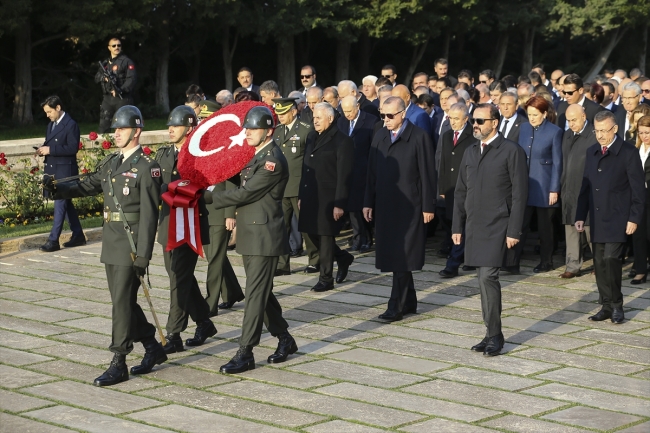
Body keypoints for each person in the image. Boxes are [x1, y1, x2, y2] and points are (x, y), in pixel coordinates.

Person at [43, 105, 166, 385]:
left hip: (130, 244)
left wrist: (144, 255)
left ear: (136, 132)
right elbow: (87, 185)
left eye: (122, 129)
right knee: (123, 302)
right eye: (115, 129)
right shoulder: (112, 163)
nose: (117, 133)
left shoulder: (148, 168)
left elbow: (149, 216)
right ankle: (152, 346)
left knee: (121, 304)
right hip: (111, 242)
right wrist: (57, 189)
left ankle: (119, 360)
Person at [206, 106, 298, 373]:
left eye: (253, 128)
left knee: (256, 295)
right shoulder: (256, 154)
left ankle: (245, 352)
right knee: (262, 292)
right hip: (252, 234)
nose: (247, 133)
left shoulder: (273, 160)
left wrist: (207, 197)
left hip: (264, 237)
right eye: (246, 128)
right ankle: (285, 339)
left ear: (268, 131)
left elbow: (245, 194)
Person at [453, 103, 528, 356]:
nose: (475, 125)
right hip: (475, 224)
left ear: (494, 123)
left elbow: (520, 194)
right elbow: (461, 191)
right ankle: (490, 332)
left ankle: (495, 335)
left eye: (480, 121)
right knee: (481, 280)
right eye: (473, 120)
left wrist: (514, 231)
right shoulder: (471, 151)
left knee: (488, 277)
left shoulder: (511, 151)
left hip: (499, 224)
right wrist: (457, 225)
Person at [364, 96, 436, 321]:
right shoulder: (380, 135)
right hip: (386, 205)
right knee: (394, 255)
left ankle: (396, 305)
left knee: (403, 256)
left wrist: (428, 206)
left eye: (390, 115)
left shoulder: (419, 136)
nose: (385, 119)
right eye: (382, 115)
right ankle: (410, 301)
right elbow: (371, 172)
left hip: (410, 206)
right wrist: (368, 201)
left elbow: (427, 173)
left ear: (403, 114)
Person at [156, 106, 217, 354]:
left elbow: (209, 189)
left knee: (178, 279)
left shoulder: (199, 155)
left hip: (190, 225)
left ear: (190, 128)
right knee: (179, 275)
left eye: (176, 125)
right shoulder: (163, 155)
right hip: (168, 224)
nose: (171, 129)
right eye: (169, 125)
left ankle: (174, 334)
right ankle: (203, 322)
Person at [576, 111, 645, 324]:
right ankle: (605, 305)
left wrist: (634, 218)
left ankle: (617, 305)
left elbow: (638, 190)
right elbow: (585, 185)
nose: (600, 136)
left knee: (611, 259)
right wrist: (580, 214)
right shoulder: (592, 151)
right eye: (596, 131)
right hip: (597, 218)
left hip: (618, 217)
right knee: (599, 261)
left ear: (614, 129)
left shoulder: (628, 152)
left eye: (604, 131)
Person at [298, 103, 355, 292]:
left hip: (328, 198)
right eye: (313, 118)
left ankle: (326, 278)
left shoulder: (342, 141)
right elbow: (305, 169)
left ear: (330, 119)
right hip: (310, 195)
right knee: (311, 233)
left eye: (318, 118)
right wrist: (301, 194)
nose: (314, 121)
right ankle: (343, 257)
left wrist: (339, 203)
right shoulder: (312, 137)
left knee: (325, 236)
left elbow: (344, 175)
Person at [508, 96, 563, 273]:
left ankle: (546, 261)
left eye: (535, 114)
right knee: (519, 224)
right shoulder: (523, 128)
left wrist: (554, 188)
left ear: (545, 113)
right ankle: (512, 262)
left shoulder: (554, 132)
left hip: (545, 186)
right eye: (529, 114)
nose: (531, 118)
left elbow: (558, 162)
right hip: (525, 184)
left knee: (545, 227)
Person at [271, 97, 320, 276]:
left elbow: (311, 161)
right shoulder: (276, 132)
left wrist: (308, 189)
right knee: (281, 228)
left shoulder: (307, 130)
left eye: (283, 113)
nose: (280, 116)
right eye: (278, 114)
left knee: (306, 226)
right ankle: (282, 264)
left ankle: (315, 260)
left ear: (293, 111)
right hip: (281, 188)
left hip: (300, 187)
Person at [37, 96, 85, 253]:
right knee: (66, 204)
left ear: (58, 108)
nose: (47, 115)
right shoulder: (51, 124)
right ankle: (78, 235)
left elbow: (72, 148)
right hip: (53, 169)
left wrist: (50, 150)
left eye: (49, 111)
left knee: (60, 203)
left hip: (65, 171)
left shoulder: (71, 125)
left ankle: (53, 240)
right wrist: (42, 149)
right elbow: (51, 143)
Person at [438, 102, 476, 278]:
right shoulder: (446, 136)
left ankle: (453, 263)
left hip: (468, 188)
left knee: (463, 225)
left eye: (456, 119)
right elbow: (444, 163)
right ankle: (467, 258)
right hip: (452, 189)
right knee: (453, 222)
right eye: (450, 118)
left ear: (466, 119)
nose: (452, 122)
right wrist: (443, 187)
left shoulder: (473, 136)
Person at [338, 95, 379, 252]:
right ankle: (358, 238)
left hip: (364, 171)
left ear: (358, 107)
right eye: (344, 111)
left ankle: (367, 238)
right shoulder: (341, 121)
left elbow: (374, 148)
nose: (347, 114)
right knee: (353, 208)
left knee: (365, 208)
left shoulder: (370, 121)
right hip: (348, 171)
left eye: (350, 111)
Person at [559, 104, 595, 278]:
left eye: (574, 120)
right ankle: (572, 265)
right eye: (568, 120)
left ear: (583, 116)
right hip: (568, 188)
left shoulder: (594, 135)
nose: (571, 124)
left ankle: (599, 262)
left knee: (590, 228)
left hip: (586, 188)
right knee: (570, 227)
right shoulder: (567, 135)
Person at [94, 37, 136, 133]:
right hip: (107, 99)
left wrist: (120, 90)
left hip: (122, 98)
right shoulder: (105, 64)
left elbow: (131, 79)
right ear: (109, 48)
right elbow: (96, 78)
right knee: (103, 127)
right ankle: (104, 146)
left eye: (119, 45)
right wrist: (104, 78)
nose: (116, 47)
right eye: (114, 45)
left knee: (124, 126)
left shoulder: (126, 61)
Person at [630, 115, 650, 284]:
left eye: (648, 132)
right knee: (638, 234)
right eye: (642, 132)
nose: (645, 136)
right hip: (637, 198)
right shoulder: (634, 149)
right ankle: (641, 269)